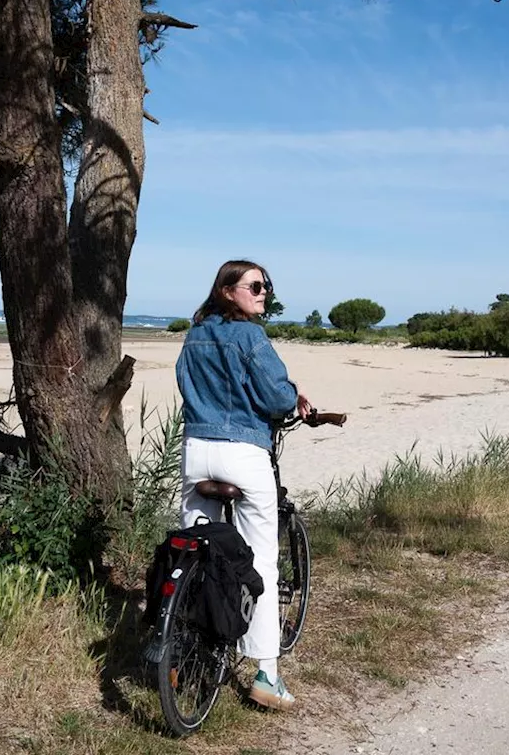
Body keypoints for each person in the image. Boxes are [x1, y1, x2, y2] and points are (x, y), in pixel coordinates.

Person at [175, 259, 312, 711]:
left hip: (197, 452)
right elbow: (274, 397)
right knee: (262, 565)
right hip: (243, 453)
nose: (263, 292)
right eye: (255, 285)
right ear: (227, 290)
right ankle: (266, 675)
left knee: (193, 549)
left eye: (267, 286)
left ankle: (182, 653)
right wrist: (294, 398)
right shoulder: (250, 335)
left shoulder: (195, 336)